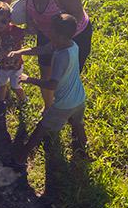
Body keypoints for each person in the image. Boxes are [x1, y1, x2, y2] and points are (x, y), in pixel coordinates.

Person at [8, 13, 87, 166]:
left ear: (57, 35)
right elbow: (42, 49)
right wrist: (19, 52)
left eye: (51, 30)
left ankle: (21, 157)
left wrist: (28, 79)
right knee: (77, 123)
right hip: (79, 97)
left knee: (42, 127)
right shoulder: (71, 45)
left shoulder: (62, 57)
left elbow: (52, 85)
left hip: (64, 103)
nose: (48, 31)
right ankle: (84, 148)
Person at [24, 0, 92, 108]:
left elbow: (77, 15)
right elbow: (28, 4)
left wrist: (60, 41)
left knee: (64, 79)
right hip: (47, 33)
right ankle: (49, 108)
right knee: (45, 73)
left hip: (73, 36)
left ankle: (70, 110)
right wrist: (29, 22)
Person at [0, 0, 27, 116]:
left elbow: (28, 32)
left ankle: (23, 100)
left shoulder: (15, 31)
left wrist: (32, 24)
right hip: (2, 64)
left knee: (15, 86)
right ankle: (1, 102)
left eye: (3, 21)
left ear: (9, 19)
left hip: (15, 65)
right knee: (1, 84)